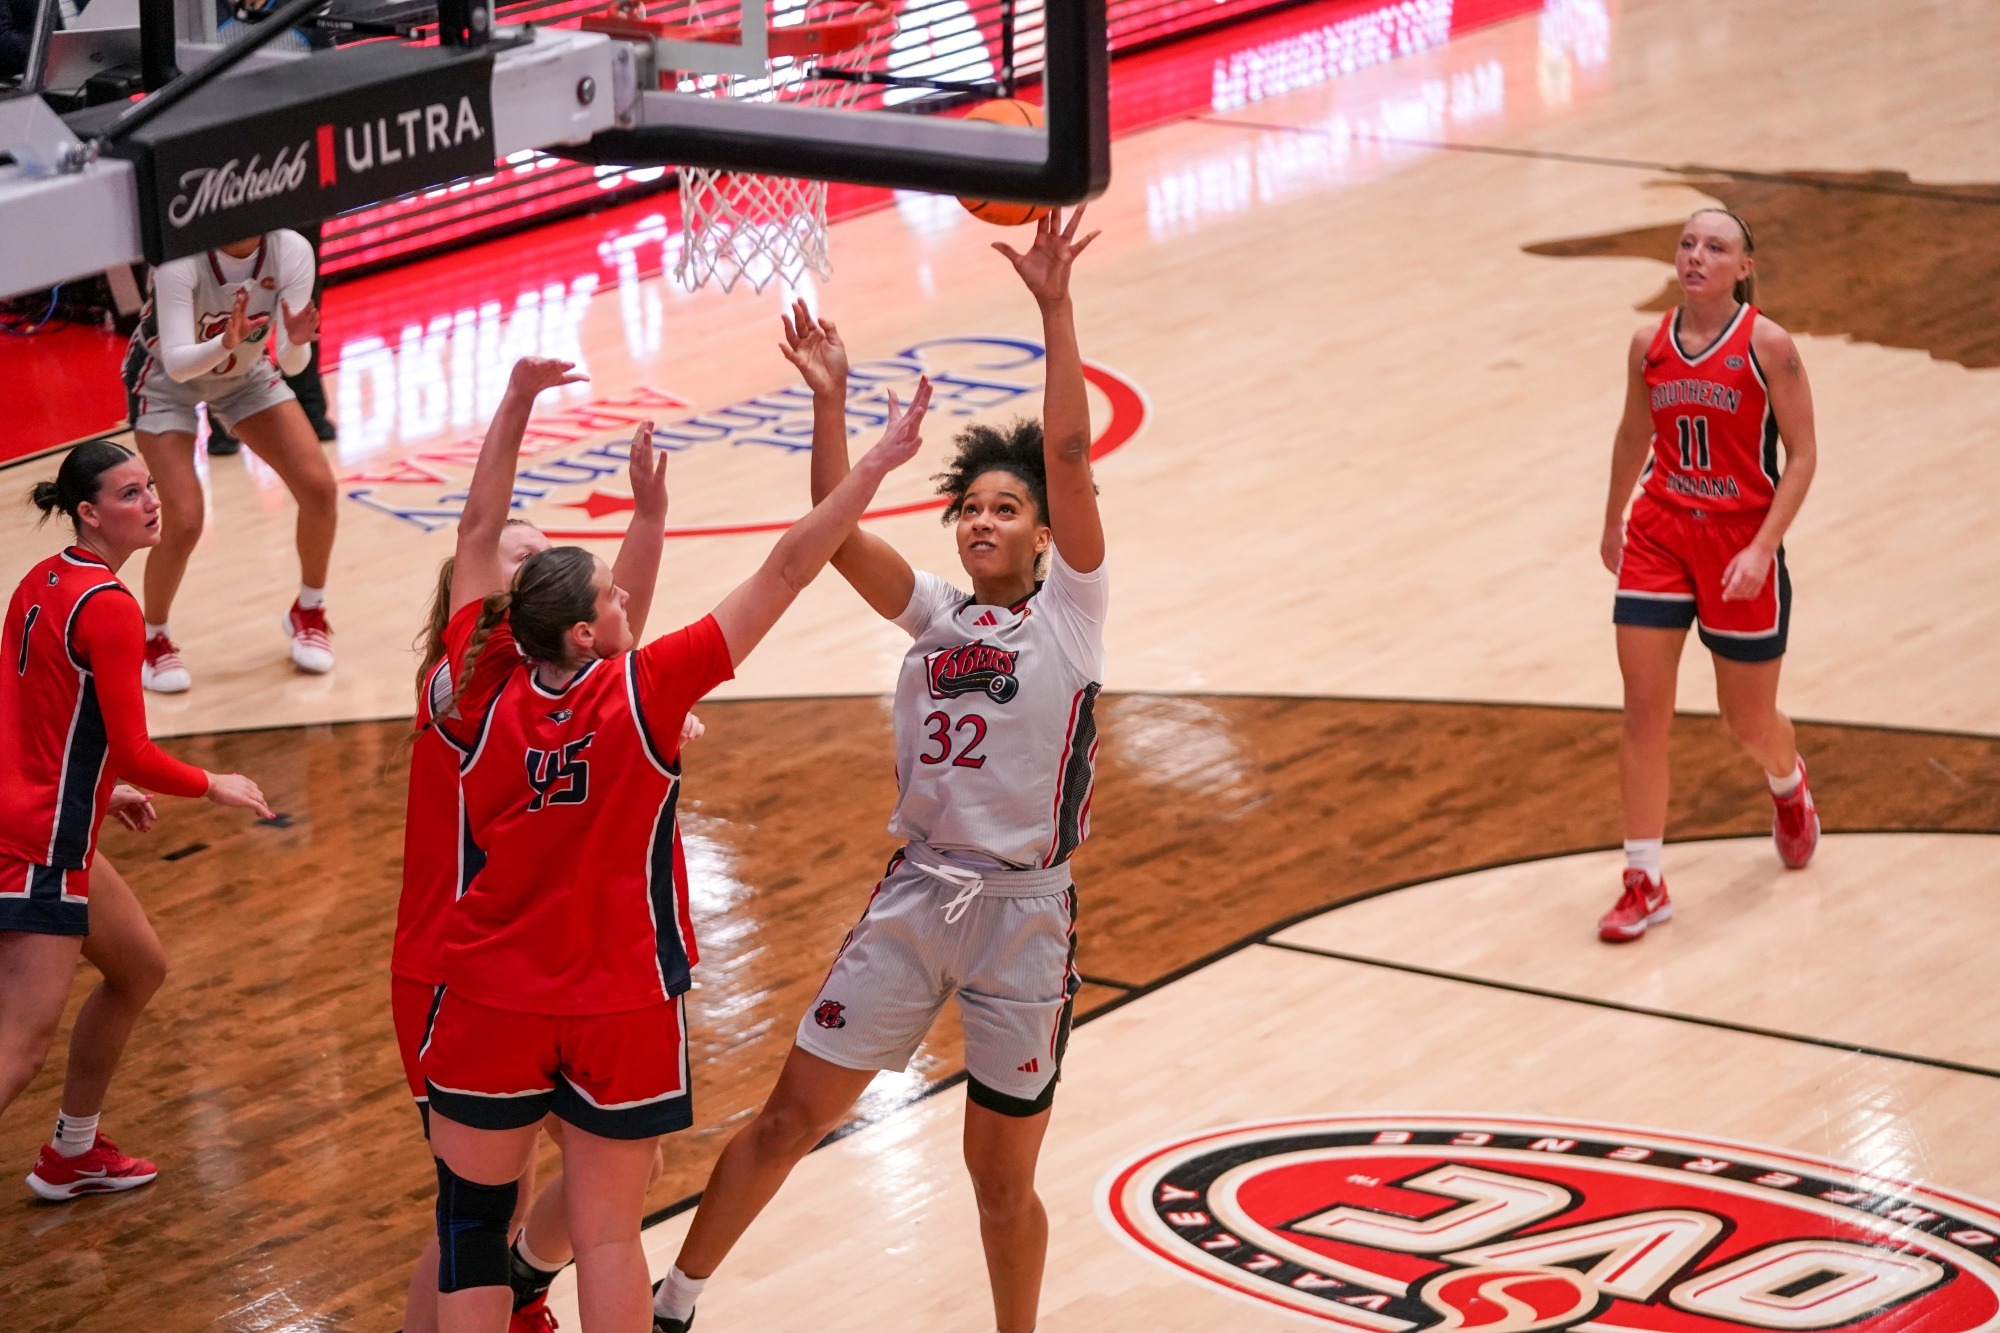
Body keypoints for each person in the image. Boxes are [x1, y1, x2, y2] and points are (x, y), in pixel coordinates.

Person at [655, 207, 1106, 1333]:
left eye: (1006, 511)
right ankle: (675, 1299)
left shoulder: (1073, 620)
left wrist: (1053, 307)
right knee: (783, 1119)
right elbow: (833, 533)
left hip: (1024, 917)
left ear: (1046, 536)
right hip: (916, 896)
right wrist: (826, 401)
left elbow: (1066, 453)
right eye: (969, 511)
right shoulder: (933, 616)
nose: (982, 523)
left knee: (998, 1182)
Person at [418, 373, 931, 1333]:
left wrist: (539, 420)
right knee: (610, 1235)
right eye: (614, 595)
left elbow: (477, 534)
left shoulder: (473, 690)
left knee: (470, 1231)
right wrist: (873, 464)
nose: (627, 599)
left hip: (491, 989)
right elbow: (785, 569)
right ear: (586, 630)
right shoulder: (648, 689)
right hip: (622, 997)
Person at [395, 358, 691, 1333]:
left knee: (595, 1178)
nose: (543, 562)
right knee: (483, 1203)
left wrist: (646, 520)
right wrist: (515, 399)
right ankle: (505, 1291)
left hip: (536, 959)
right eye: (526, 563)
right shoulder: (468, 688)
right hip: (460, 959)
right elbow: (478, 528)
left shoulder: (565, 683)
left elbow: (624, 617)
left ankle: (521, 1288)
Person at [0, 441, 273, 1199]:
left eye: (150, 486)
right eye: (129, 493)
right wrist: (212, 782)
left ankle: (73, 1151)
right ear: (89, 513)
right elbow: (139, 750)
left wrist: (98, 786)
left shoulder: (41, 579)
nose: (150, 501)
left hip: (45, 815)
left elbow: (34, 712)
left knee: (138, 968)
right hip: (40, 843)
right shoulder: (112, 608)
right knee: (17, 1051)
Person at [1597, 207, 1821, 943]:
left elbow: (1804, 456)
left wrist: (1762, 547)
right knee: (1642, 711)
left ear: (1744, 267)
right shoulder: (1647, 343)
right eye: (1688, 243)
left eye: (1715, 247)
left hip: (1737, 546)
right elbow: (1635, 433)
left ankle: (1788, 786)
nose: (1696, 256)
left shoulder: (1769, 345)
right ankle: (1644, 878)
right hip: (1661, 535)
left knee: (1747, 722)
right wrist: (1613, 517)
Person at [121, 229, 339, 693]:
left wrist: (297, 342)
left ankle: (309, 610)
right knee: (183, 519)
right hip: (163, 381)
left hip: (244, 376)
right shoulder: (180, 261)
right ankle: (152, 637)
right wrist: (225, 342)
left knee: (319, 488)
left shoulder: (292, 249)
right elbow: (178, 363)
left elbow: (292, 363)